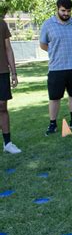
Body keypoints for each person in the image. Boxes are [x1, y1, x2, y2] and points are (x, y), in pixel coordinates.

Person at [40, 0, 72, 136]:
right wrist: (56, 52)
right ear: (57, 8)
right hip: (56, 68)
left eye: (69, 11)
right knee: (54, 98)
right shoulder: (47, 25)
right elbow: (43, 44)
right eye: (63, 10)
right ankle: (52, 124)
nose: (66, 13)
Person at [0, 18, 21, 154]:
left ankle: (7, 143)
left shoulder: (2, 24)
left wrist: (14, 73)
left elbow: (8, 48)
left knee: (2, 106)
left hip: (2, 71)